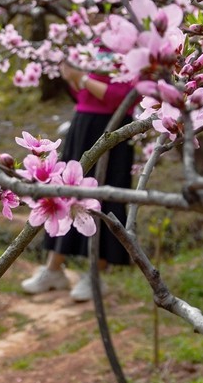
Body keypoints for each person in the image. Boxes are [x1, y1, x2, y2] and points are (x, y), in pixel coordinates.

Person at [21, 59, 135, 302]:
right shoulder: (90, 43)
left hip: (113, 128)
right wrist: (71, 77)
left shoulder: (130, 48)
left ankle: (95, 274)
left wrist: (82, 78)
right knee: (65, 192)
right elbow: (82, 95)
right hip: (82, 123)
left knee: (104, 197)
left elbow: (120, 98)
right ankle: (53, 269)